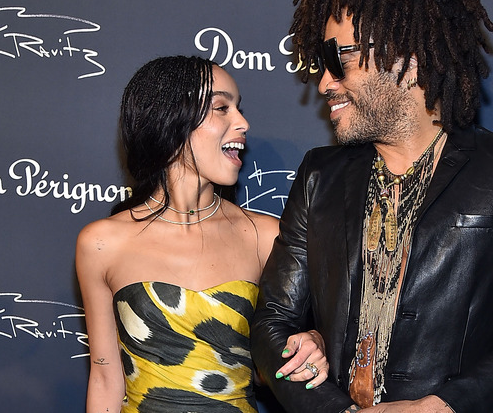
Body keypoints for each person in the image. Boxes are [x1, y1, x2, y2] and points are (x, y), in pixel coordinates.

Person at [251, 0, 493, 412]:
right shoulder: (319, 176)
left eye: (339, 58)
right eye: (319, 64)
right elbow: (272, 322)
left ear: (407, 59)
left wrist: (437, 407)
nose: (324, 83)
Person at [76, 55, 329, 413]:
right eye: (221, 108)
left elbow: (271, 367)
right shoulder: (102, 243)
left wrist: (312, 342)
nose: (243, 122)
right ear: (171, 120)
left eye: (238, 108)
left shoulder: (265, 236)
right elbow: (104, 379)